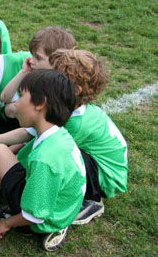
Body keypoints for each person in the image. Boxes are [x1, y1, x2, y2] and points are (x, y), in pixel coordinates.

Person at [0, 69, 85, 251]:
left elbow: (35, 215)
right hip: (63, 206)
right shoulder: (57, 134)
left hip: (47, 218)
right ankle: (12, 200)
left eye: (21, 96)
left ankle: (46, 226)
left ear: (40, 103)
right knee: (0, 152)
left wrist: (5, 223)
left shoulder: (46, 159)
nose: (15, 103)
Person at [50, 49, 128, 225]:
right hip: (99, 166)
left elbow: (43, 146)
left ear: (75, 91)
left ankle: (93, 199)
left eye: (55, 77)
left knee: (60, 155)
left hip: (105, 178)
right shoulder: (72, 109)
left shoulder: (76, 122)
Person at [0, 26, 77, 118]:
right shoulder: (36, 75)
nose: (31, 61)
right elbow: (5, 98)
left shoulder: (63, 87)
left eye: (38, 58)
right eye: (32, 55)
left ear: (58, 61)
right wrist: (23, 72)